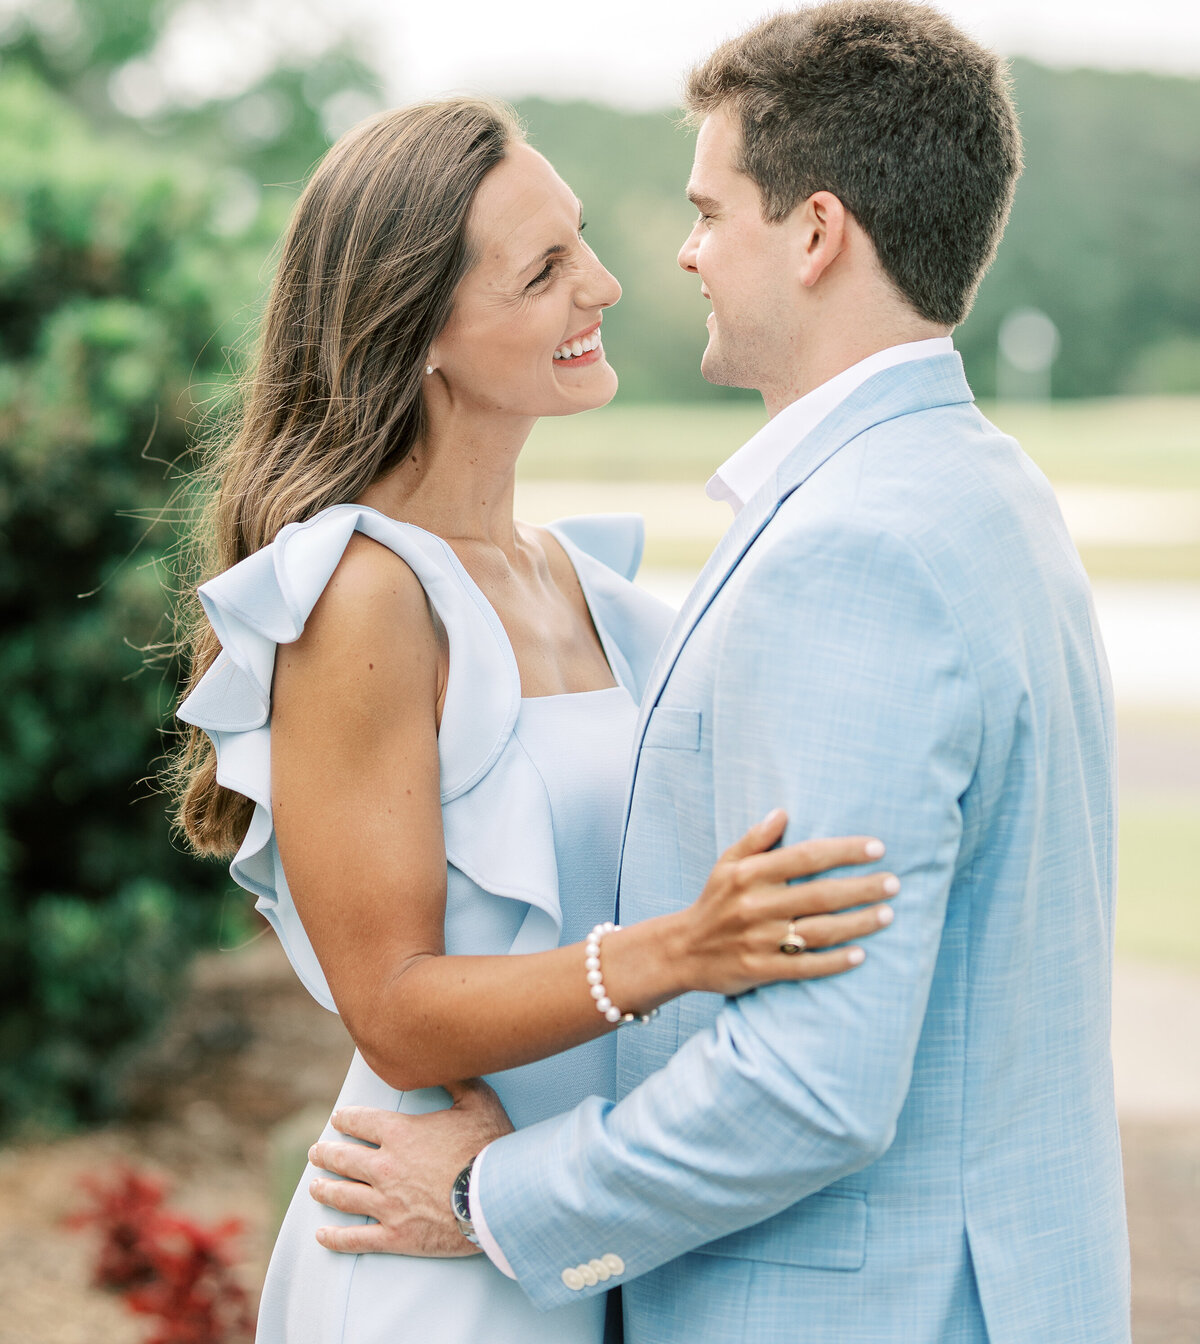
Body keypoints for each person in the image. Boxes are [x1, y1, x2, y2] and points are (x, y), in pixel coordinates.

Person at [308, 0, 1131, 1344]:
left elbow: (810, 1082)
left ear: (814, 234)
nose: (674, 257)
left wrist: (485, 1198)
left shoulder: (853, 551)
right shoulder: (987, 491)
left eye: (708, 210)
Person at [171, 94, 899, 1344]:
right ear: (424, 330)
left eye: (584, 244)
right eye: (544, 269)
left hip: (566, 1230)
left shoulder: (592, 588)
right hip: (425, 1263)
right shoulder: (362, 594)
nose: (607, 285)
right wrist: (681, 952)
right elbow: (391, 1003)